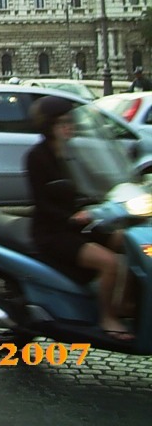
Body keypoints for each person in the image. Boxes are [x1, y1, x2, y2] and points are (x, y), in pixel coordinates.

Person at [26, 96, 132, 341]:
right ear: (49, 126)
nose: (69, 126)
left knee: (125, 240)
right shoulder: (37, 157)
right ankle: (108, 318)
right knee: (110, 262)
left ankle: (126, 303)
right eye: (63, 122)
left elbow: (90, 184)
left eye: (71, 121)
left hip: (76, 223)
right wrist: (74, 217)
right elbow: (42, 203)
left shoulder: (70, 152)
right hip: (52, 231)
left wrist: (111, 196)